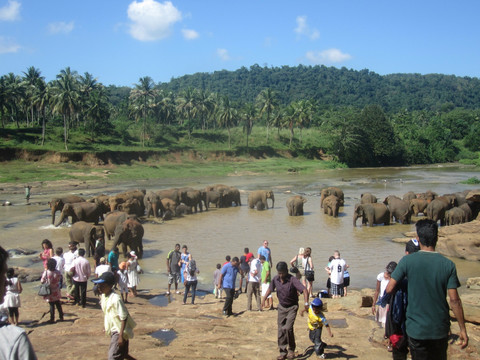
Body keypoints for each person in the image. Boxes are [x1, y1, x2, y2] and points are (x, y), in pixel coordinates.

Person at [386, 219, 469, 360]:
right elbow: (455, 301)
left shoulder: (407, 261)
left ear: (418, 238)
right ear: (437, 237)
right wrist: (462, 329)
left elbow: (389, 289)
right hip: (440, 328)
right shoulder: (448, 265)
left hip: (416, 329)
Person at [262, 261, 309, 360]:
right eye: (279, 273)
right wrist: (263, 299)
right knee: (281, 330)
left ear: (286, 271)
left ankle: (291, 349)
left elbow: (304, 290)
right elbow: (270, 289)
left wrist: (306, 303)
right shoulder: (276, 279)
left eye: (282, 273)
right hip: (281, 307)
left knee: (288, 328)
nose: (281, 275)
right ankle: (283, 352)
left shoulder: (292, 280)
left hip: (292, 307)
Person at [384, 239, 420, 360]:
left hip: (401, 316)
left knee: (400, 350)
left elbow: (389, 289)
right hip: (419, 317)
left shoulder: (404, 265)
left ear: (406, 253)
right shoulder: (427, 266)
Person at [0, 246, 37, 359]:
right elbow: (20, 289)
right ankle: (15, 321)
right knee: (15, 311)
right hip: (15, 298)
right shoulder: (13, 339)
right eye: (2, 275)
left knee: (12, 311)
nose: (6, 282)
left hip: (10, 299)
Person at [92, 271, 137, 360]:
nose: (99, 288)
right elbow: (108, 313)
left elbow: (124, 317)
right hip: (114, 329)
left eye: (102, 285)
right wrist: (106, 326)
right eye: (98, 286)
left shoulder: (116, 299)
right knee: (122, 354)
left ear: (110, 286)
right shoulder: (104, 296)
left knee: (112, 356)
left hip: (119, 331)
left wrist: (120, 336)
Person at [373, 262, 397, 328]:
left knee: (388, 323)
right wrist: (373, 305)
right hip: (382, 301)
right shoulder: (381, 276)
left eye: (390, 272)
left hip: (391, 302)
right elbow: (377, 291)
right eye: (388, 272)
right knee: (383, 322)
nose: (388, 274)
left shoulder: (395, 278)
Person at [41, 258, 64, 324]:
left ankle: (52, 318)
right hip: (56, 289)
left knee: (51, 305)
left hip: (50, 290)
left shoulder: (46, 272)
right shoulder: (58, 272)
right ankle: (61, 317)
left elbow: (42, 281)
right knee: (58, 304)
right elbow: (59, 279)